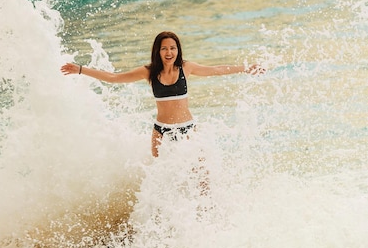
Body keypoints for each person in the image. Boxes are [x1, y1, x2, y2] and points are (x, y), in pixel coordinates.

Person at [61, 31, 264, 157]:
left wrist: (245, 68)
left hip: (187, 129)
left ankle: (205, 218)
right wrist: (81, 70)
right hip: (161, 132)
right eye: (164, 48)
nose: (169, 52)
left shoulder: (186, 68)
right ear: (157, 51)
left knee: (201, 175)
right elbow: (114, 78)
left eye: (173, 48)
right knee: (160, 180)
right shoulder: (149, 71)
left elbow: (217, 69)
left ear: (178, 50)